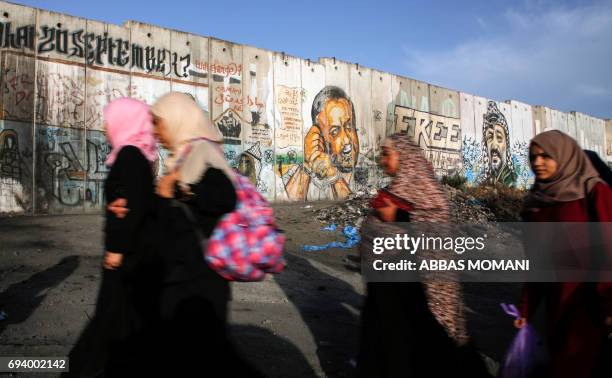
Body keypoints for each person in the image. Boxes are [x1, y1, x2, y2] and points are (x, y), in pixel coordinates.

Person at [357, 133, 489, 377]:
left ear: (405, 156)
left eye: (387, 153)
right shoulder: (394, 191)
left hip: (419, 291)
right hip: (388, 294)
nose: (382, 160)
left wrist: (398, 218)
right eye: (382, 154)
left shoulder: (425, 190)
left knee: (431, 348)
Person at [149, 92, 261, 376]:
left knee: (208, 356)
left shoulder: (202, 153)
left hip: (200, 278)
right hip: (186, 275)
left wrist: (181, 190)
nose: (155, 131)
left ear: (178, 120)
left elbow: (225, 196)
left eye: (158, 123)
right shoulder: (184, 155)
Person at [66, 98, 160, 377]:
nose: (105, 125)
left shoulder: (129, 156)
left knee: (107, 321)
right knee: (117, 320)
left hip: (124, 257)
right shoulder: (137, 156)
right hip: (134, 255)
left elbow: (127, 206)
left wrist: (117, 249)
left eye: (109, 119)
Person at [517, 130, 612, 378]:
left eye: (546, 156)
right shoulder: (536, 204)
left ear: (564, 155)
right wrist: (526, 310)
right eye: (533, 157)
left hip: (590, 305)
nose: (537, 163)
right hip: (556, 305)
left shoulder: (593, 191)